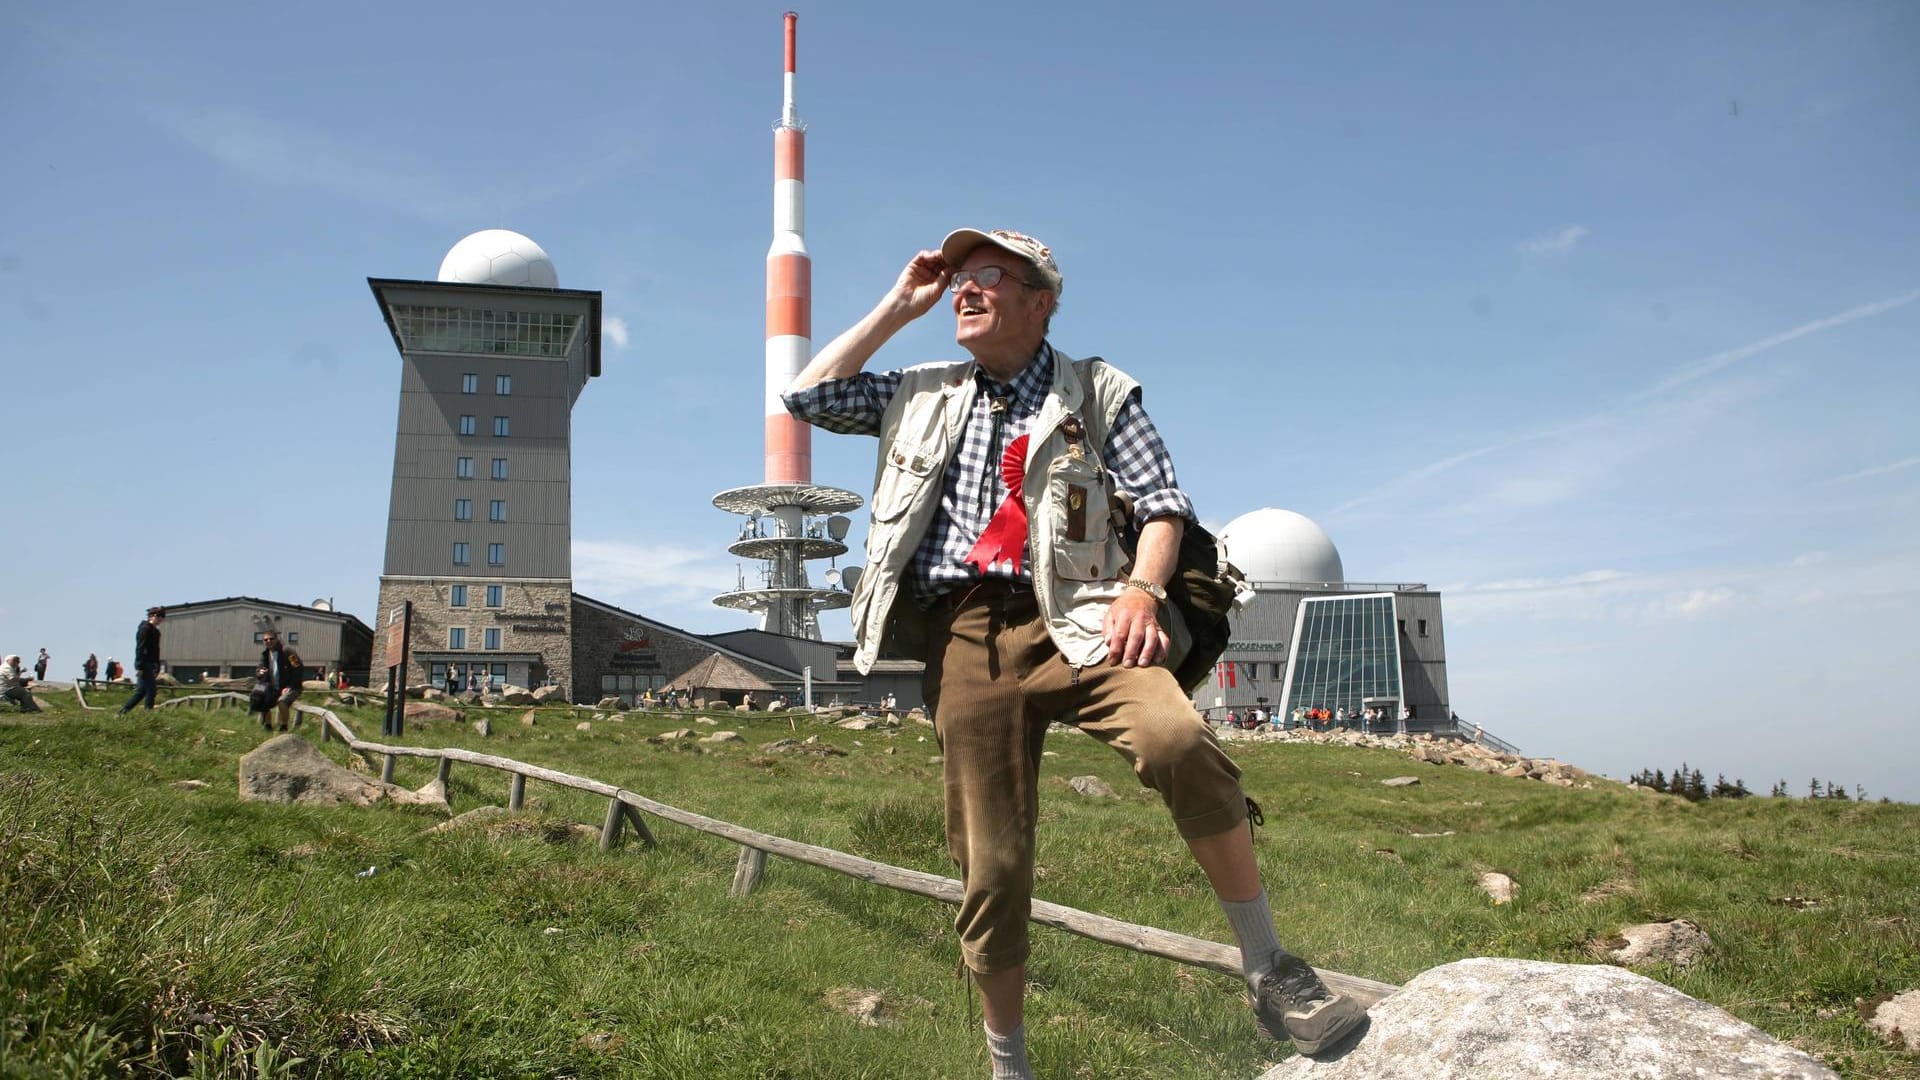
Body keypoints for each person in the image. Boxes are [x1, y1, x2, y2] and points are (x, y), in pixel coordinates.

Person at [782, 228, 1364, 1075]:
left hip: (1088, 616)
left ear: (1041, 299)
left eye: (989, 278)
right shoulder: (920, 390)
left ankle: (1270, 967)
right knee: (994, 862)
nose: (963, 292)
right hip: (969, 636)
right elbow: (806, 399)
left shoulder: (1097, 390)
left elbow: (1163, 504)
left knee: (1177, 740)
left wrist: (1142, 591)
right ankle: (1008, 1060)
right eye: (958, 281)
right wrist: (895, 308)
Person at [254, 628, 304, 732]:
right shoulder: (265, 654)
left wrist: (291, 686)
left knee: (282, 701)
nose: (268, 641)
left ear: (277, 639)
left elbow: (298, 667)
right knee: (260, 698)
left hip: (291, 687)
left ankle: (283, 727)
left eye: (271, 639)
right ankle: (267, 726)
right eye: (265, 640)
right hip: (273, 687)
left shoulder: (288, 651)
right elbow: (259, 669)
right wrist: (260, 672)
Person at [118, 607, 165, 714]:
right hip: (144, 663)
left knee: (141, 691)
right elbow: (140, 647)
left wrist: (157, 664)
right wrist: (139, 665)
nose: (160, 621)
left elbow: (156, 649)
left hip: (151, 663)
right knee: (151, 690)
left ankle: (122, 713)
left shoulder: (156, 632)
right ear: (153, 616)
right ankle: (148, 714)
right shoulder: (145, 628)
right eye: (159, 618)